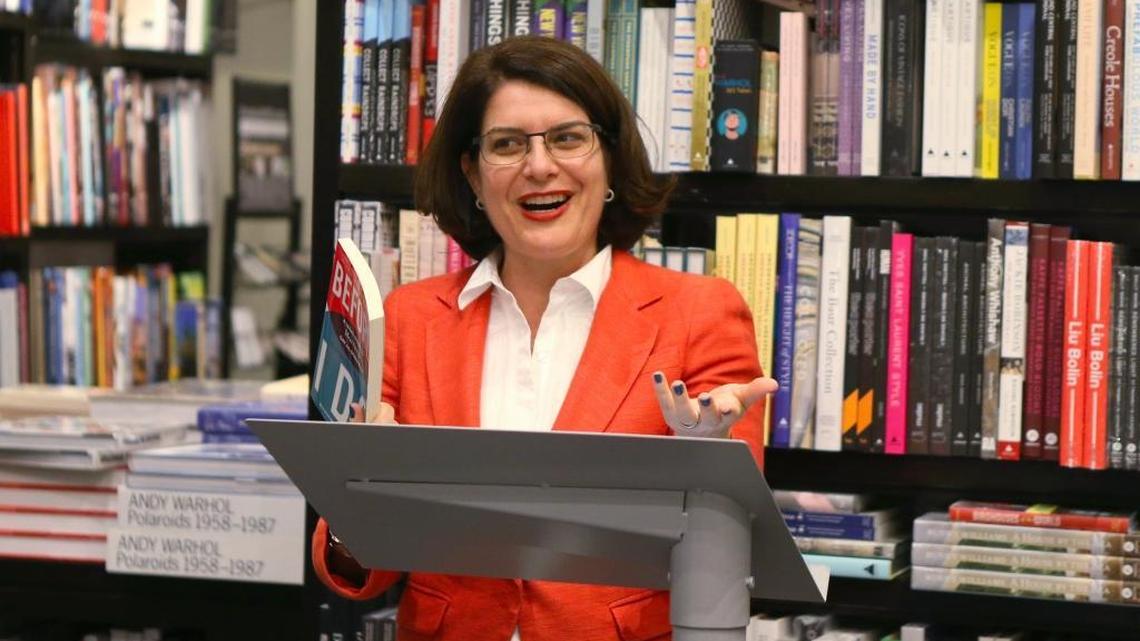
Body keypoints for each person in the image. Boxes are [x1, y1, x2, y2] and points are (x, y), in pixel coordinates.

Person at [313, 36, 777, 641]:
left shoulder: (700, 313)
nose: (539, 167)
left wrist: (709, 457)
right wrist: (358, 499)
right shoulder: (406, 318)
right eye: (506, 145)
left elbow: (730, 550)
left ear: (609, 159)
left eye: (567, 138)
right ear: (473, 175)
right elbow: (355, 569)